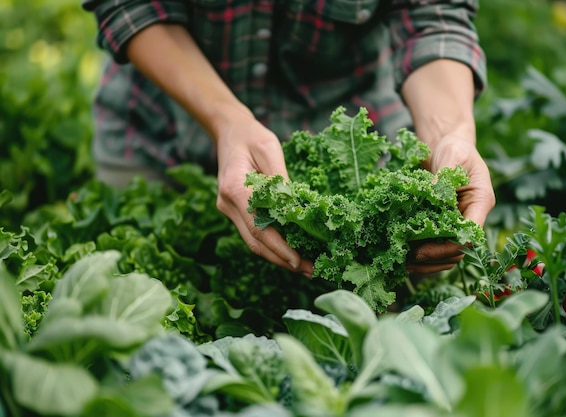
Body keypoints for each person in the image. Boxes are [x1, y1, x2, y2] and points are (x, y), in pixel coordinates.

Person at [81, 0, 495, 279]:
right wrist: (226, 122)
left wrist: (449, 135)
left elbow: (434, 15)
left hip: (351, 156)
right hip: (161, 130)